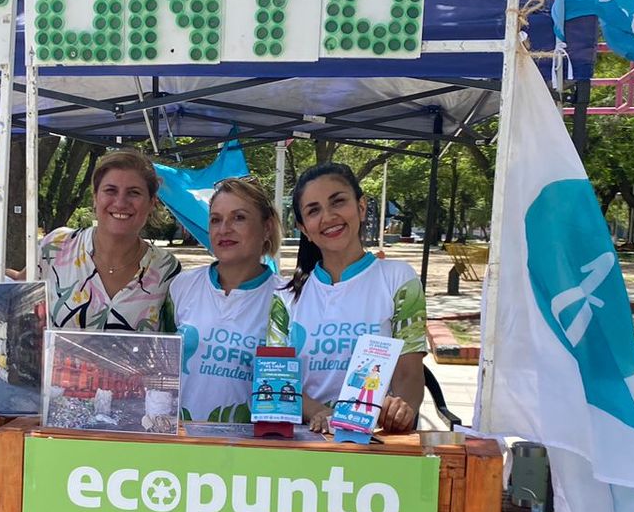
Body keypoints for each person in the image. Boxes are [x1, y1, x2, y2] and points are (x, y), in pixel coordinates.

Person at [284, 161, 426, 432]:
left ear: (361, 207)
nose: (328, 217)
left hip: (375, 444)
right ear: (304, 228)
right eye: (313, 211)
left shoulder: (399, 280)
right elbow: (279, 381)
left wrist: (398, 412)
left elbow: (410, 374)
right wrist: (321, 414)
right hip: (305, 445)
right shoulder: (285, 297)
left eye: (338, 202)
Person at [168, 178, 282, 422]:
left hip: (252, 449)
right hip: (180, 447)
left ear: (267, 227)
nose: (224, 229)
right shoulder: (182, 286)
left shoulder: (288, 298)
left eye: (239, 217)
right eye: (216, 220)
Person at [38, 150, 180, 332]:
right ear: (95, 197)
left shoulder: (167, 269)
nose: (121, 202)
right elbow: (17, 293)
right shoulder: (56, 247)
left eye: (134, 193)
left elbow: (172, 345)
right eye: (110, 190)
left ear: (151, 202)